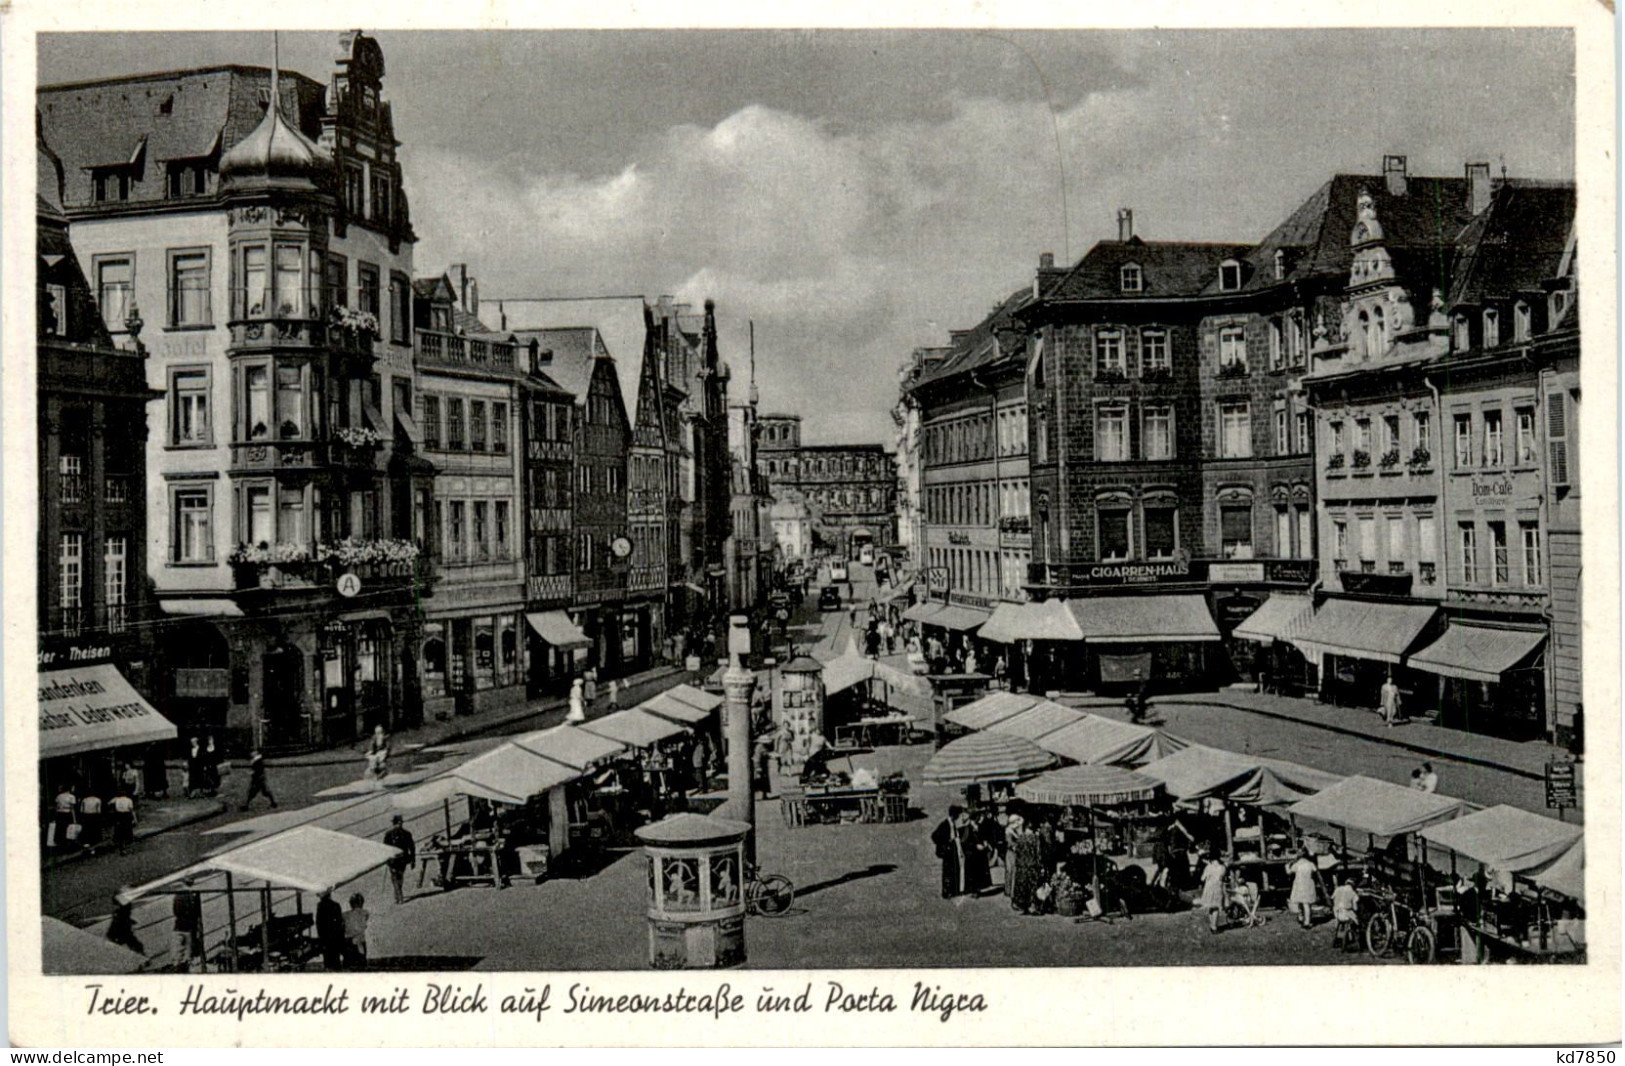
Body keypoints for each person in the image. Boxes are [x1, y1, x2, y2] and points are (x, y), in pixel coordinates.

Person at [931, 806, 968, 899]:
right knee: (947, 871)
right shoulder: (945, 824)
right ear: (953, 815)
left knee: (953, 870)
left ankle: (953, 890)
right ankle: (946, 892)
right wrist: (945, 843)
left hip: (953, 850)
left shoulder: (952, 823)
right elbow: (934, 836)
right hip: (948, 851)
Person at [383, 814, 416, 904]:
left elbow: (412, 847)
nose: (399, 825)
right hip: (392, 860)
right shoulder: (388, 835)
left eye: (400, 823)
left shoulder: (406, 834)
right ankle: (399, 895)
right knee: (394, 876)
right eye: (397, 823)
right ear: (394, 824)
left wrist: (413, 860)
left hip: (402, 860)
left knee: (400, 877)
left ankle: (397, 893)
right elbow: (385, 847)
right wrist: (385, 859)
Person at [171, 888, 202, 972]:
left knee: (180, 949)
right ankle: (183, 963)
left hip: (182, 926)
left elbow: (175, 911)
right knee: (186, 949)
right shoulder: (192, 895)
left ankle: (179, 964)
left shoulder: (179, 896)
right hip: (187, 926)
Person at [315, 889, 346, 971]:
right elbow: (340, 922)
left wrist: (320, 937)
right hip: (336, 936)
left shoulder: (320, 905)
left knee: (328, 958)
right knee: (336, 958)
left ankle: (329, 971)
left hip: (325, 936)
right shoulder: (336, 905)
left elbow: (319, 923)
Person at [1287, 849, 1319, 928]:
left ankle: (1302, 919)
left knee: (1300, 902)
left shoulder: (1297, 864)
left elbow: (1289, 872)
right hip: (1308, 883)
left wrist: (1287, 866)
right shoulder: (1310, 864)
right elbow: (1315, 870)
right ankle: (1307, 921)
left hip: (1299, 883)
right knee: (1307, 904)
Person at [1199, 851, 1229, 934]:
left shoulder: (1208, 867)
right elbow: (1222, 877)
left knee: (1210, 907)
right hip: (1218, 887)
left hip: (1208, 888)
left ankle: (1212, 925)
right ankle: (1214, 926)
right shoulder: (1222, 867)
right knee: (1216, 907)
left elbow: (1202, 878)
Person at [1331, 876, 1361, 951]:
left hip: (1337, 913)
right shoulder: (1353, 893)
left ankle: (1340, 938)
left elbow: (1332, 898)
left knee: (1342, 919)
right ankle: (1353, 938)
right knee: (1357, 920)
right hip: (1346, 914)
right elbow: (1355, 908)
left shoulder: (1338, 889)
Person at [343, 893, 370, 969]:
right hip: (360, 941)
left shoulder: (345, 915)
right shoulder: (365, 912)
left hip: (348, 941)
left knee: (349, 964)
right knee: (361, 965)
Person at [78, 788, 103, 854]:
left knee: (86, 830)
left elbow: (81, 810)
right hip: (94, 815)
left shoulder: (84, 800)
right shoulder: (98, 800)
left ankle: (87, 844)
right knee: (94, 830)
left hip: (86, 816)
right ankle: (93, 845)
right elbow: (99, 810)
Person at [51, 784, 76, 851]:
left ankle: (60, 844)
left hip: (59, 813)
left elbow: (56, 807)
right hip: (67, 813)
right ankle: (67, 844)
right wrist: (74, 819)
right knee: (68, 829)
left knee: (60, 829)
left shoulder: (59, 796)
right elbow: (72, 808)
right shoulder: (71, 797)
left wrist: (55, 817)